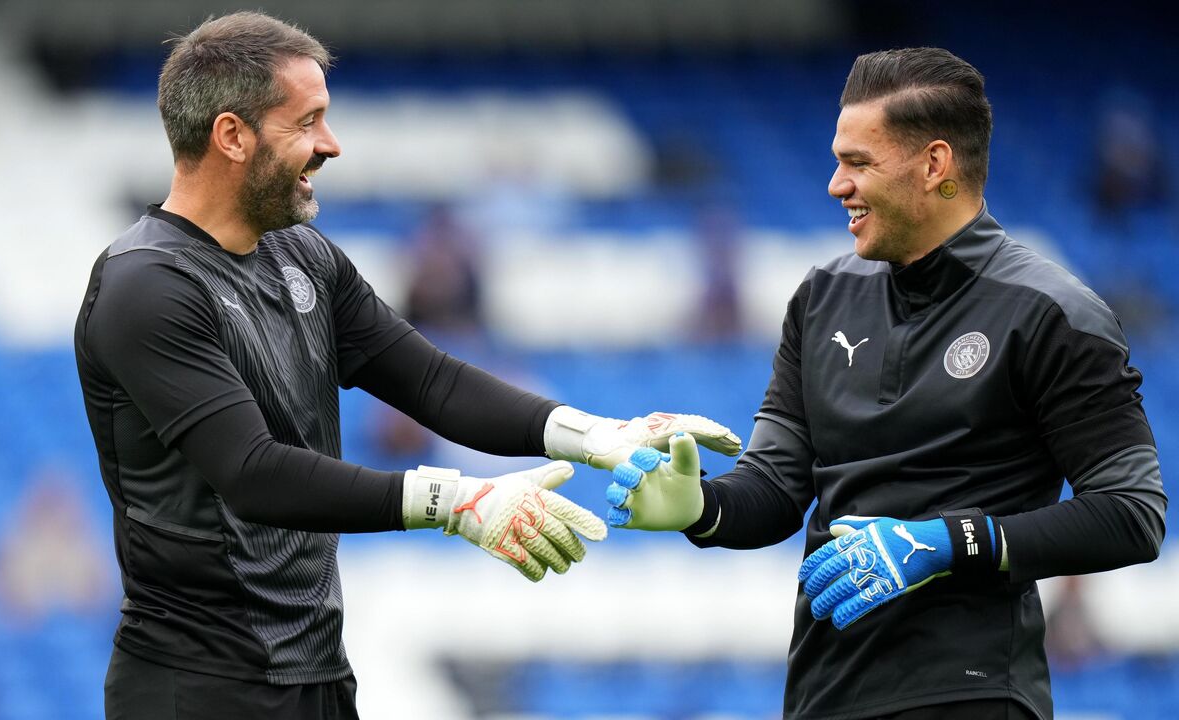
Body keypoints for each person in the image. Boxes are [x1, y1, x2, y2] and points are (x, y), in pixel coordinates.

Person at [73, 11, 742, 720]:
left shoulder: (305, 257)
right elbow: (252, 474)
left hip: (317, 677)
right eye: (307, 122)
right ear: (232, 135)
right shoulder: (146, 285)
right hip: (196, 689)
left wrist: (599, 436)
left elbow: (431, 382)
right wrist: (455, 503)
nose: (329, 144)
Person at [604, 47, 1166, 720]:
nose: (837, 185)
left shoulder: (1052, 312)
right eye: (838, 160)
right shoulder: (821, 299)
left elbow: (1133, 514)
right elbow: (779, 487)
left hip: (972, 695)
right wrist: (702, 507)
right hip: (823, 694)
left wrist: (943, 543)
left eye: (858, 163)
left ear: (934, 166)